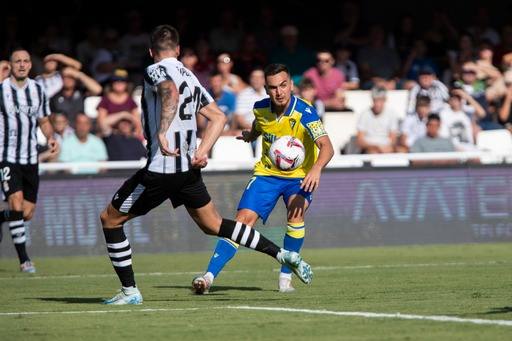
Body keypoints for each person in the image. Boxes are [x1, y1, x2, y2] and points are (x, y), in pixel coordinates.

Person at [99, 25, 313, 305]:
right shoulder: (191, 76)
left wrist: (163, 131)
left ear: (152, 52)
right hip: (188, 169)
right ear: (178, 50)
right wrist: (202, 150)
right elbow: (218, 117)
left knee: (110, 219)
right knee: (213, 224)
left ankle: (130, 292)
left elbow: (169, 91)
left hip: (162, 168)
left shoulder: (155, 70)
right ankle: (282, 254)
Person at [192, 63, 334, 294]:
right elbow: (260, 125)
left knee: (295, 213)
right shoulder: (260, 108)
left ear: (291, 85)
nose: (279, 92)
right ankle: (208, 277)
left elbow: (327, 147)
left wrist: (316, 168)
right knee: (241, 221)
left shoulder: (306, 112)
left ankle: (285, 277)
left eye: (283, 85)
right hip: (267, 174)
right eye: (273, 87)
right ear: (266, 89)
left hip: (299, 177)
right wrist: (251, 134)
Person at [0, 49, 59, 272]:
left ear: (30, 66)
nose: (22, 65)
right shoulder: (2, 90)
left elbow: (44, 119)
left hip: (30, 157)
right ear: (11, 65)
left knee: (26, 212)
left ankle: (1, 217)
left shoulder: (38, 90)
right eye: (18, 61)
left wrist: (51, 136)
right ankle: (25, 260)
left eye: (26, 61)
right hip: (6, 156)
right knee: (15, 203)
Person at [97, 69, 142, 138]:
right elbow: (102, 123)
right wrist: (123, 114)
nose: (119, 83)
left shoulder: (130, 101)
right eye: (116, 80)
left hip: (128, 136)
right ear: (111, 83)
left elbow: (138, 123)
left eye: (122, 81)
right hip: (110, 136)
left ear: (127, 83)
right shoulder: (105, 100)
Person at [356, 87, 399, 153]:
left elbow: (393, 138)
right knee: (373, 152)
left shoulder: (391, 114)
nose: (377, 104)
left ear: (385, 100)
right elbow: (360, 140)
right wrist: (376, 147)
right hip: (370, 148)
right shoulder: (364, 114)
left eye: (380, 100)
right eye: (375, 100)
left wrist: (384, 148)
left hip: (386, 148)